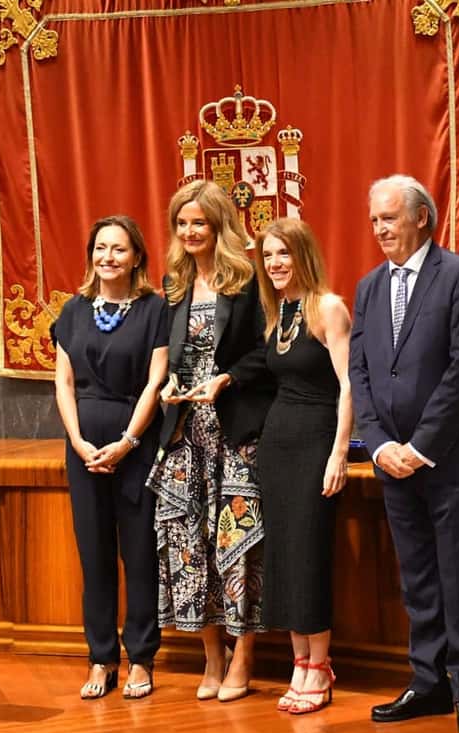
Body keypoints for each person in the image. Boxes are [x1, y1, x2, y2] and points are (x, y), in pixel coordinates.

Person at [348, 174, 459, 733]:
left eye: (389, 218)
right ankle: (427, 681)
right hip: (391, 461)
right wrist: (381, 443)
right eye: (374, 220)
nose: (379, 228)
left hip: (449, 459)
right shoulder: (367, 287)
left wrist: (421, 445)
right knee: (416, 578)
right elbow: (360, 371)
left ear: (421, 219)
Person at [147, 179, 275, 702]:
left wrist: (228, 379)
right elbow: (170, 355)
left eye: (199, 222)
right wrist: (173, 383)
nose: (189, 231)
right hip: (183, 434)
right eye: (182, 222)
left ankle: (244, 655)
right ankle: (211, 655)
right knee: (186, 543)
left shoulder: (247, 279)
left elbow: (270, 350)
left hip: (235, 429)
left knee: (237, 544)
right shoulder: (174, 282)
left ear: (219, 224)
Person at [52, 215, 168, 700]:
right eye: (101, 248)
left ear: (137, 256)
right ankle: (101, 658)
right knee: (94, 555)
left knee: (138, 554)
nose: (108, 257)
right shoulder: (74, 311)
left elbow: (155, 381)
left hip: (133, 445)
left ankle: (140, 659)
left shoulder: (154, 309)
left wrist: (128, 441)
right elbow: (63, 381)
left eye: (119, 249)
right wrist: (79, 443)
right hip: (82, 448)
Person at [254, 217, 353, 715]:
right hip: (277, 445)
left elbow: (349, 386)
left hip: (317, 443)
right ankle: (299, 661)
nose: (274, 264)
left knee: (310, 553)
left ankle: (320, 665)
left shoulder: (327, 308)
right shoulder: (277, 313)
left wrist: (339, 453)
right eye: (268, 255)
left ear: (302, 255)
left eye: (283, 254)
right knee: (285, 557)